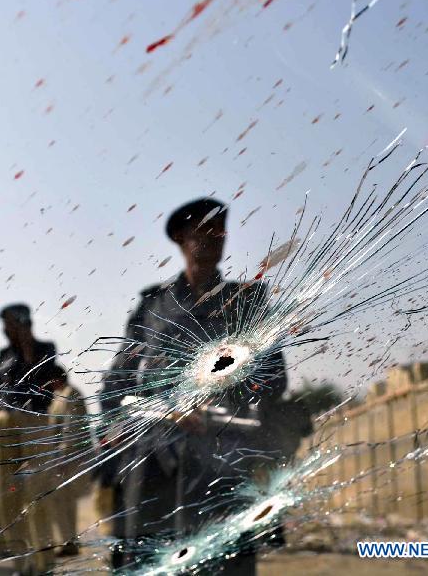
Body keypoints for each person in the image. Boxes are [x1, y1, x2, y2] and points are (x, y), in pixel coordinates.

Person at [99, 198, 288, 575]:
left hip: (222, 461)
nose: (214, 237)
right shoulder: (152, 305)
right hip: (154, 467)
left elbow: (275, 379)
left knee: (226, 563)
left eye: (220, 229)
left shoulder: (247, 300)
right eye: (203, 229)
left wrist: (222, 395)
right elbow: (116, 385)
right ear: (182, 237)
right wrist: (146, 415)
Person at [0, 303, 62, 574]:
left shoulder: (45, 349)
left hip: (35, 423)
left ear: (22, 322)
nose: (5, 330)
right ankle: (21, 561)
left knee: (37, 494)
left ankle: (44, 563)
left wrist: (25, 340)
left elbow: (41, 378)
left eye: (10, 324)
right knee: (5, 496)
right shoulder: (3, 354)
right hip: (3, 425)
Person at [41, 369, 88, 557]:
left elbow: (72, 428)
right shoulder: (58, 397)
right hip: (59, 458)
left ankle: (70, 541)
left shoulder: (71, 395)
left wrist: (64, 455)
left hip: (68, 458)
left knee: (65, 501)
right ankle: (68, 540)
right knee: (60, 502)